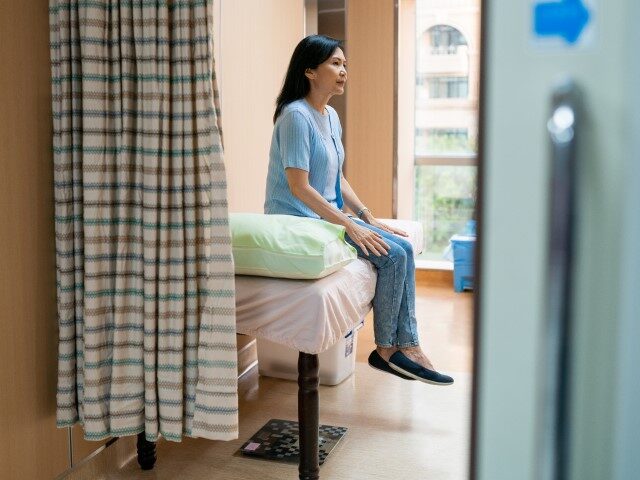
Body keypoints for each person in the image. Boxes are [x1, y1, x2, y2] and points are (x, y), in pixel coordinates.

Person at [264, 35, 453, 386]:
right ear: (309, 71)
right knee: (392, 257)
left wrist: (366, 217)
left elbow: (336, 176)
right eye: (335, 64)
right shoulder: (294, 117)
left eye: (345, 65)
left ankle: (408, 345)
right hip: (298, 220)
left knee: (404, 248)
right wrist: (350, 227)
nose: (343, 71)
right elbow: (299, 187)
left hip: (324, 217)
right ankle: (387, 350)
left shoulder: (330, 116)